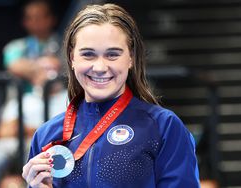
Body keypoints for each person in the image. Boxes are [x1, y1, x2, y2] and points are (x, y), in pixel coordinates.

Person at [22, 3, 200, 188]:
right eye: (88, 54)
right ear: (72, 58)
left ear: (131, 57)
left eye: (112, 54)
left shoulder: (163, 127)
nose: (100, 67)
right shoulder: (46, 135)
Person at [0, 1, 68, 188]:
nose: (35, 22)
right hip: (16, 137)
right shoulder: (16, 49)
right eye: (30, 17)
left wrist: (26, 130)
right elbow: (3, 131)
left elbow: (63, 132)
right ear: (24, 22)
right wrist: (41, 71)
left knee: (35, 150)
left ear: (51, 19)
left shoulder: (65, 45)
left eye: (40, 16)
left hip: (48, 144)